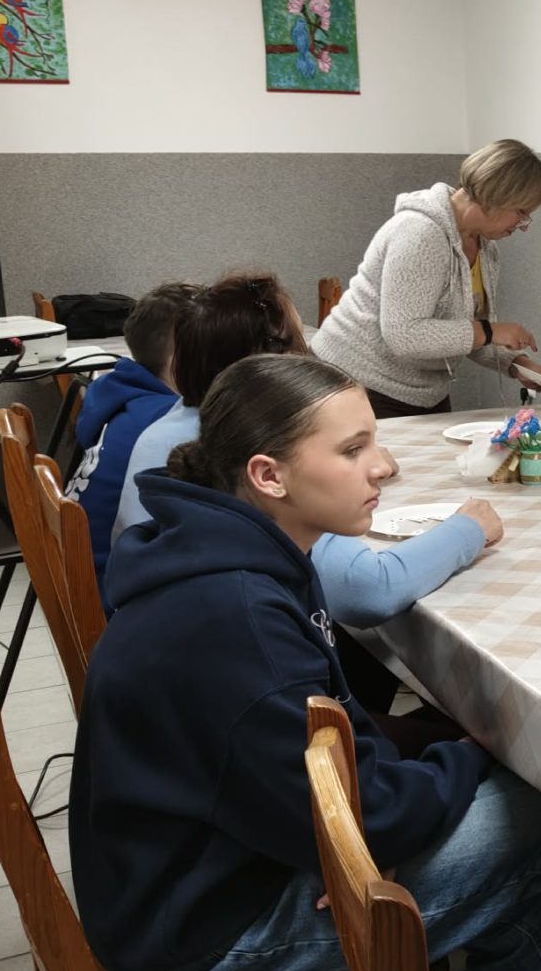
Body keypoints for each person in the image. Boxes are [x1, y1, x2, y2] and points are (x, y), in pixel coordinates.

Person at [70, 354, 541, 971]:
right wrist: (471, 758)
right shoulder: (237, 617)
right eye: (352, 449)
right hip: (210, 940)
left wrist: (406, 782)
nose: (383, 465)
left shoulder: (235, 551)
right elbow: (374, 810)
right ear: (268, 475)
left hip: (214, 871)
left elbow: (331, 739)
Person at [111, 273, 493, 724]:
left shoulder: (189, 442)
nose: (309, 355)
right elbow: (369, 590)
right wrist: (468, 531)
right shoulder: (249, 592)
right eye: (298, 346)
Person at [312, 140, 541, 418]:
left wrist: (517, 364)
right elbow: (405, 335)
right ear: (496, 195)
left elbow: (464, 334)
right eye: (522, 213)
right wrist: (490, 331)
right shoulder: (420, 233)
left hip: (420, 390)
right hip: (356, 383)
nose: (523, 226)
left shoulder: (486, 250)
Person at [65, 281, 198, 594]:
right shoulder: (166, 420)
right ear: (184, 357)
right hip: (115, 590)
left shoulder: (119, 390)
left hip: (86, 572)